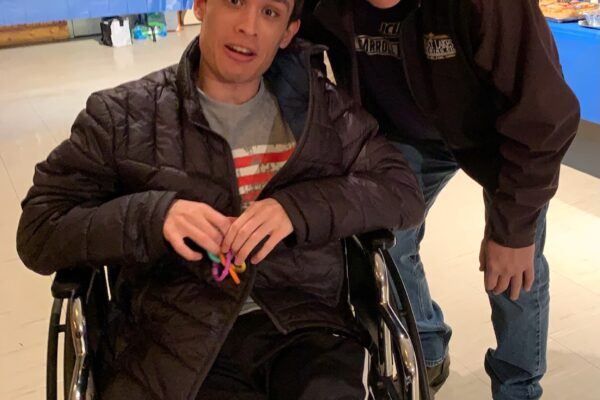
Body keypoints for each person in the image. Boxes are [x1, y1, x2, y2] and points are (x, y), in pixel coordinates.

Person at [16, 0, 426, 398]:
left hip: (304, 328)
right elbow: (40, 227)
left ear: (288, 33)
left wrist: (297, 209)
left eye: (270, 12)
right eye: (234, 1)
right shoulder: (123, 117)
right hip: (176, 336)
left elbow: (402, 190)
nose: (249, 26)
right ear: (200, 5)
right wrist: (153, 216)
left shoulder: (321, 112)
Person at [300, 0, 580, 398]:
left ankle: (518, 389)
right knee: (386, 244)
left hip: (501, 133)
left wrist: (514, 231)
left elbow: (544, 116)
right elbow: (298, 50)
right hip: (403, 132)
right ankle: (427, 347)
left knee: (514, 271)